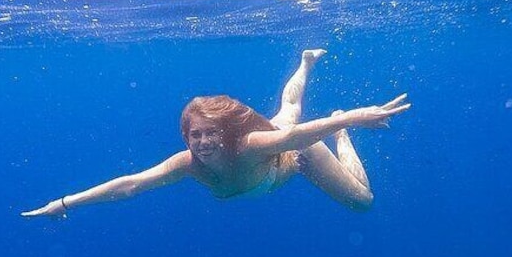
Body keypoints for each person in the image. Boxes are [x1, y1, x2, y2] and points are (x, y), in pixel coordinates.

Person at [21, 49, 410, 218]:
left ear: (225, 134)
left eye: (210, 135)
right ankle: (306, 61)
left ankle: (343, 142)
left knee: (362, 202)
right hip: (283, 142)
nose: (203, 144)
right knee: (288, 110)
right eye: (195, 136)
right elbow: (132, 184)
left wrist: (351, 120)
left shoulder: (252, 144)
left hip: (299, 154)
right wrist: (65, 203)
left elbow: (298, 137)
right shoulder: (188, 163)